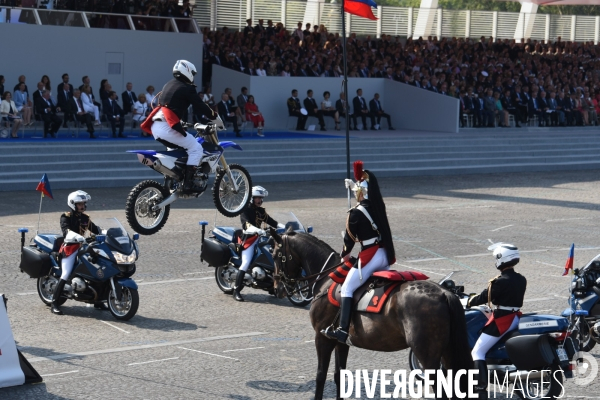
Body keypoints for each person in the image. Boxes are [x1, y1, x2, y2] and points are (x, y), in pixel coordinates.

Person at [321, 161, 396, 344]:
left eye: (356, 191)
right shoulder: (379, 207)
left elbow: (349, 241)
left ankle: (343, 330)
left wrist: (344, 253)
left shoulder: (355, 213)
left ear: (361, 192)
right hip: (384, 254)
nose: (355, 194)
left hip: (370, 255)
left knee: (347, 288)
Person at [141, 60, 218, 194]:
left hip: (156, 126)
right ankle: (188, 184)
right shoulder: (187, 88)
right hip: (166, 127)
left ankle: (173, 178)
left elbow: (170, 105)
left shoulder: (168, 84)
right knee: (196, 148)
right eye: (192, 73)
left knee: (178, 150)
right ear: (187, 71)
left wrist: (180, 122)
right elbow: (199, 105)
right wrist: (213, 115)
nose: (193, 76)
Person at [466, 243, 527, 400]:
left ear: (501, 259)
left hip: (502, 319)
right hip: (515, 318)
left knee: (477, 352)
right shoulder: (521, 279)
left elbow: (484, 297)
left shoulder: (499, 281)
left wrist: (468, 301)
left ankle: (480, 388)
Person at [53, 191, 103, 315]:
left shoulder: (86, 218)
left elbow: (96, 230)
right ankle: (54, 303)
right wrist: (78, 237)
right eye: (79, 203)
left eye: (83, 203)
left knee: (96, 267)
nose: (82, 206)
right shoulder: (66, 216)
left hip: (83, 247)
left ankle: (98, 300)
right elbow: (66, 231)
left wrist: (107, 233)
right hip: (70, 248)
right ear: (72, 204)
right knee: (65, 273)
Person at [235, 186, 280, 301]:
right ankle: (236, 290)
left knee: (273, 258)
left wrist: (285, 227)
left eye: (261, 198)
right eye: (257, 198)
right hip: (248, 239)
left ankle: (271, 286)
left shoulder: (260, 211)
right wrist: (257, 230)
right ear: (251, 198)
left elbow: (272, 221)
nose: (260, 200)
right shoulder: (245, 210)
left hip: (260, 238)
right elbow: (246, 225)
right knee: (245, 263)